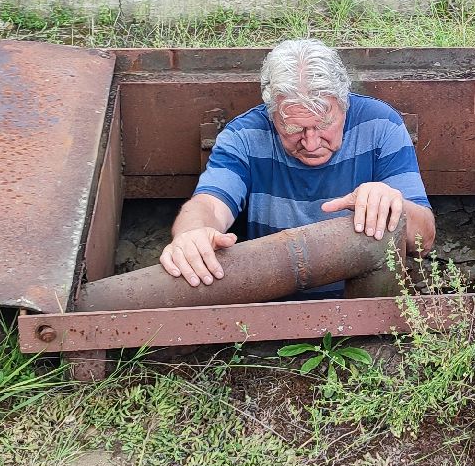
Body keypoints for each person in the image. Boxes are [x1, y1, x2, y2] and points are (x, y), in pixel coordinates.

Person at [158, 39, 437, 297]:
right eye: (293, 128)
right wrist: (192, 234)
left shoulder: (381, 126)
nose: (312, 142)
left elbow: (424, 241)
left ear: (344, 104)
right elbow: (209, 204)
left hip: (365, 314)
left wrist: (394, 204)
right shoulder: (243, 136)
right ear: (272, 114)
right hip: (271, 311)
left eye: (324, 124)